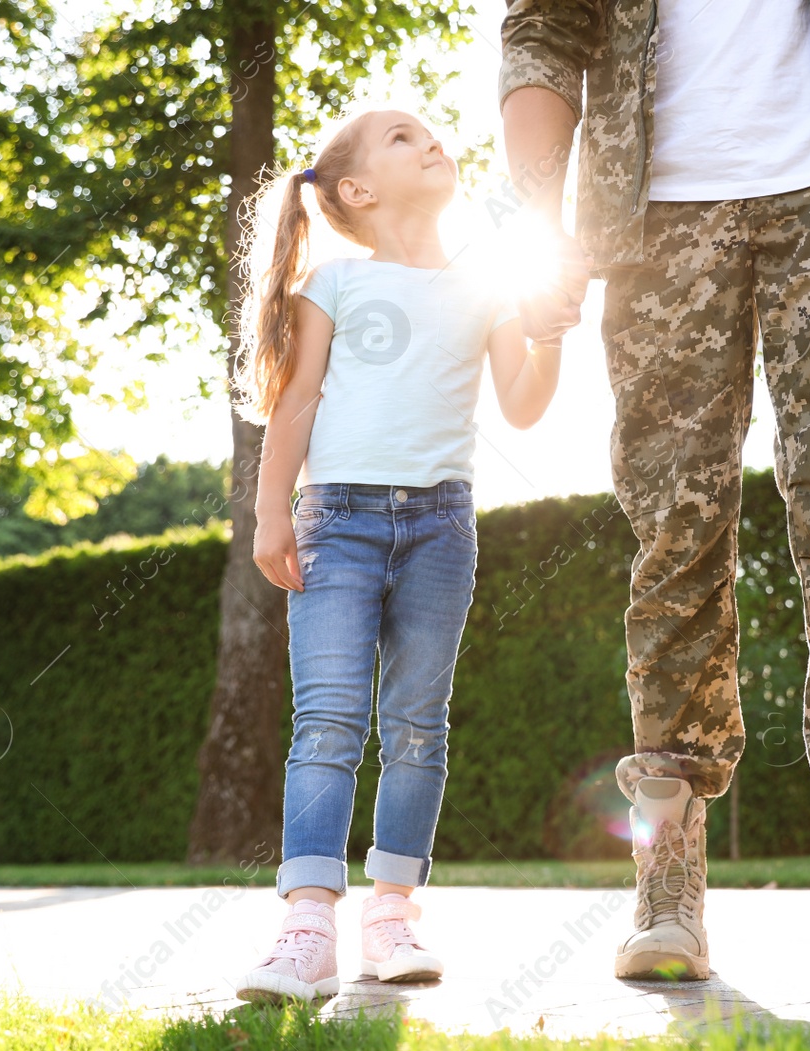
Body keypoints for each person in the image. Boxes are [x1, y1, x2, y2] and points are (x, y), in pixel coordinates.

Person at [499, 0, 810, 997]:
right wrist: (534, 218)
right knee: (674, 534)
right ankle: (667, 880)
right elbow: (544, 31)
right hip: (649, 212)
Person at [230, 108, 564, 1004]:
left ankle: (392, 914)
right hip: (334, 521)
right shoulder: (335, 281)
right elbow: (294, 405)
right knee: (329, 723)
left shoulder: (486, 283)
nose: (432, 142)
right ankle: (306, 926)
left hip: (441, 527)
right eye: (403, 137)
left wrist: (553, 333)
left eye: (429, 133)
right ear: (357, 191)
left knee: (418, 723)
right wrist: (272, 518)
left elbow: (524, 405)